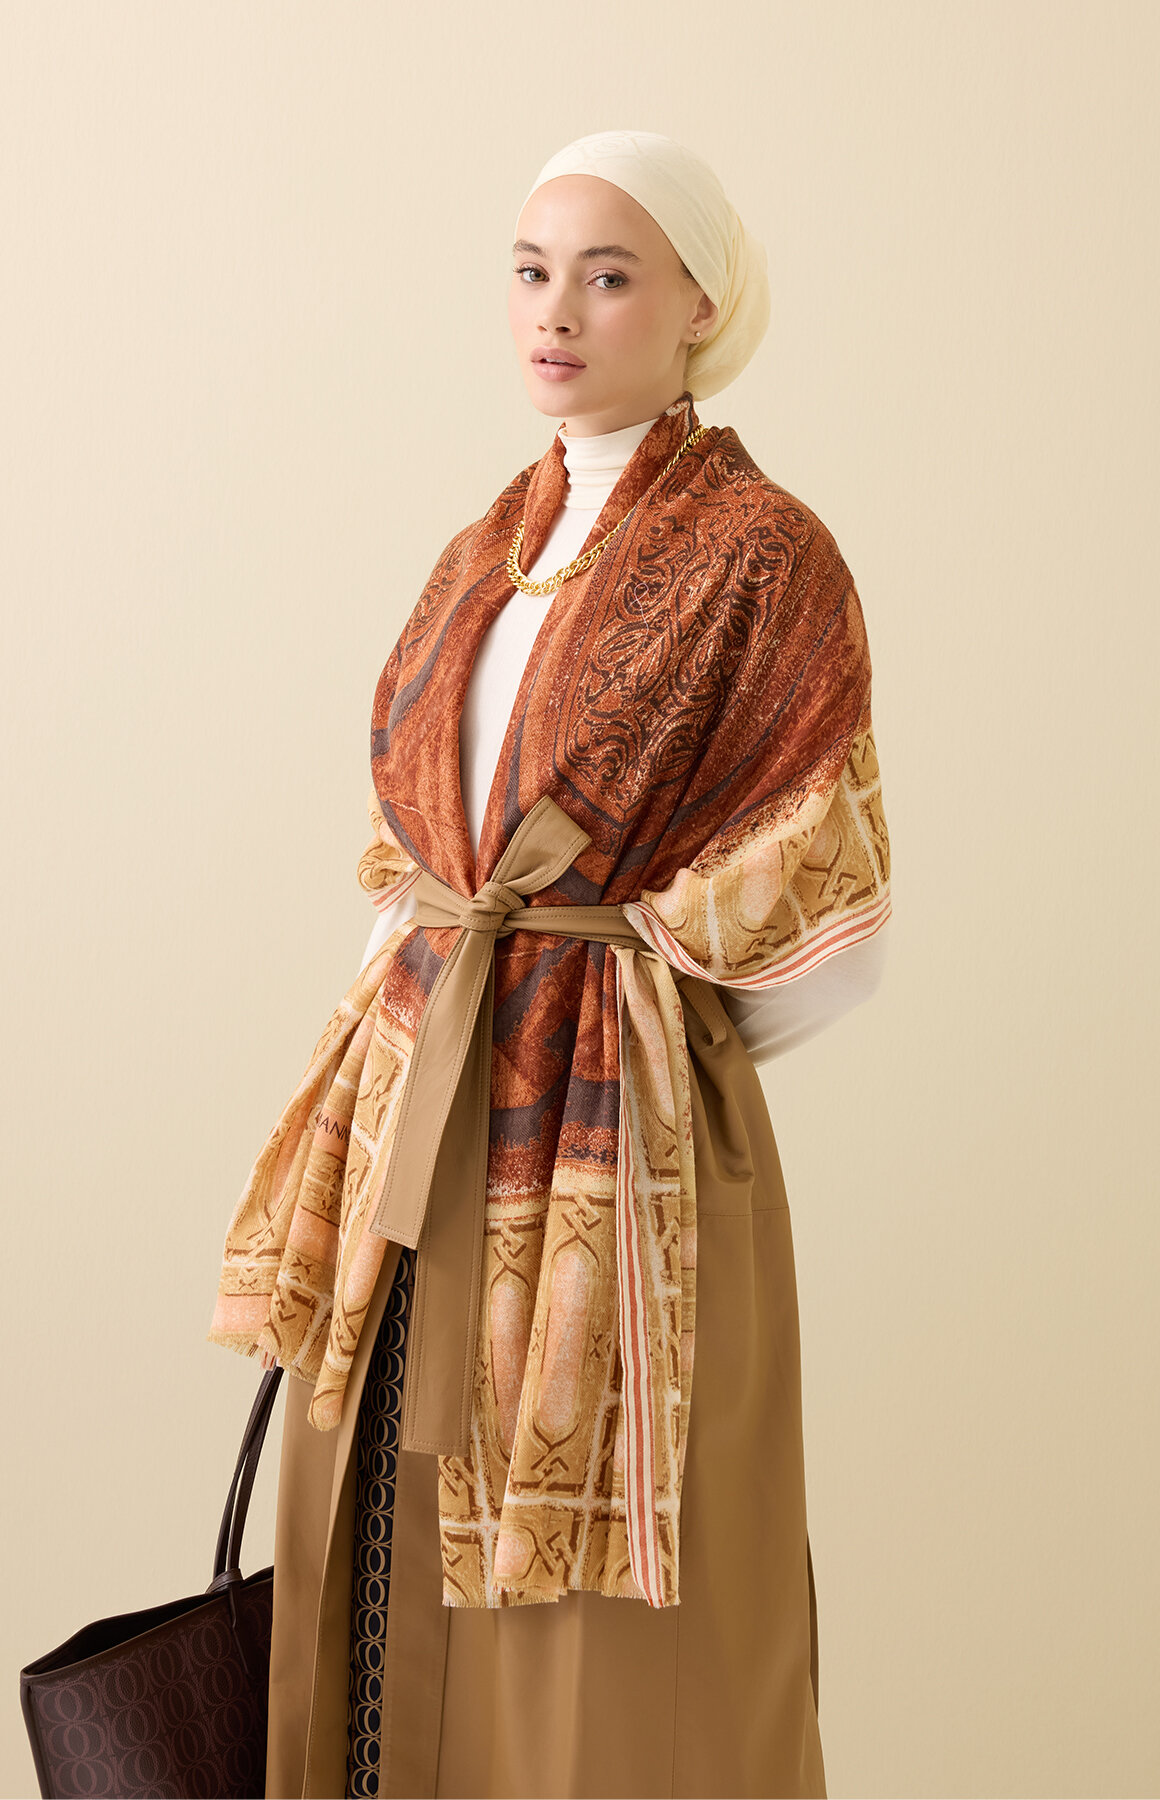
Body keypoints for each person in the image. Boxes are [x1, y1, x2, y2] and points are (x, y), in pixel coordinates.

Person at [208, 128, 893, 1800]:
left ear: (700, 304)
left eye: (608, 275)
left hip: (619, 1149)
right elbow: (419, 872)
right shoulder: (479, 554)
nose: (557, 312)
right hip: (419, 1109)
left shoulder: (765, 554)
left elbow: (827, 910)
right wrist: (431, 1031)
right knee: (384, 1515)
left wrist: (631, 1036)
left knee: (620, 1642)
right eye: (531, 272)